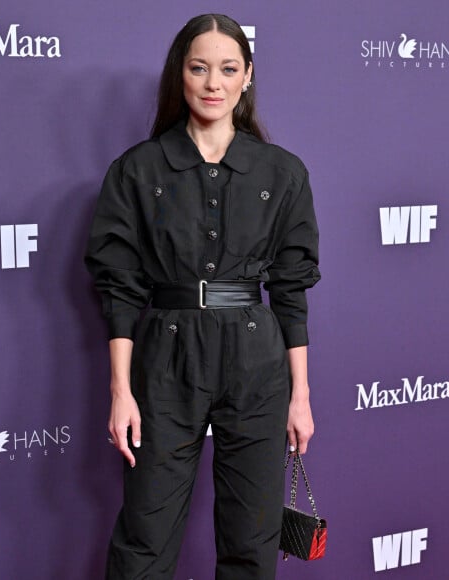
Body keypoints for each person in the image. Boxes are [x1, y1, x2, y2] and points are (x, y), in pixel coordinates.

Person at [85, 13, 321, 580]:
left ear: (247, 77)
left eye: (228, 68)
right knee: (145, 537)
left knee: (252, 540)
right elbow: (119, 286)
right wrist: (121, 390)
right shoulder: (137, 171)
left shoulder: (282, 172)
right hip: (165, 357)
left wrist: (301, 395)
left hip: (256, 361)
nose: (214, 83)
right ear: (180, 76)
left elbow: (290, 291)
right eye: (199, 68)